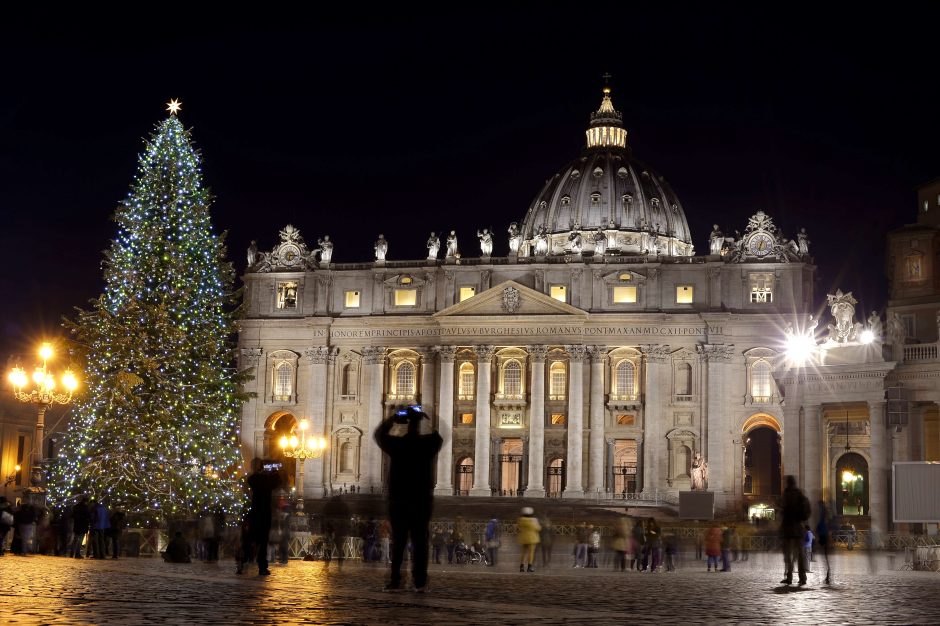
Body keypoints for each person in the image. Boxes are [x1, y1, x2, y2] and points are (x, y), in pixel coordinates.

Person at [374, 405, 443, 592]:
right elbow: (439, 436)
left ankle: (395, 581)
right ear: (420, 424)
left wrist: (393, 419)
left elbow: (379, 434)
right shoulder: (427, 445)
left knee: (399, 542)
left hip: (399, 500)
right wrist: (425, 418)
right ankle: (419, 582)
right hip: (421, 501)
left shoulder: (397, 445)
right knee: (420, 543)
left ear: (406, 424)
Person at [246, 458, 283, 576]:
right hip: (265, 513)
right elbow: (278, 482)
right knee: (263, 541)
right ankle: (262, 566)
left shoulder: (255, 479)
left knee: (252, 539)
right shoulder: (267, 480)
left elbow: (250, 480)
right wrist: (274, 472)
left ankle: (243, 559)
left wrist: (259, 472)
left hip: (255, 511)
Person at [780, 475, 811, 586]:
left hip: (789, 529)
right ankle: (802, 578)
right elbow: (806, 510)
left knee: (788, 555)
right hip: (798, 528)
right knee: (799, 555)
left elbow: (784, 511)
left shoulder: (787, 494)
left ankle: (789, 577)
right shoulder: (799, 494)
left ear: (788, 482)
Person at [517, 507, 541, 573]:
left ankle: (521, 567)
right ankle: (529, 567)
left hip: (524, 538)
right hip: (532, 538)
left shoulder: (521, 520)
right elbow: (538, 528)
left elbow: (519, 527)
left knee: (523, 553)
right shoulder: (534, 520)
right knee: (531, 553)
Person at [816, 501, 832, 584]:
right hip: (824, 537)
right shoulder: (825, 515)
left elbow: (820, 525)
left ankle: (828, 574)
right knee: (825, 558)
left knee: (825, 558)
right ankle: (827, 574)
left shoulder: (823, 514)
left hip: (823, 537)